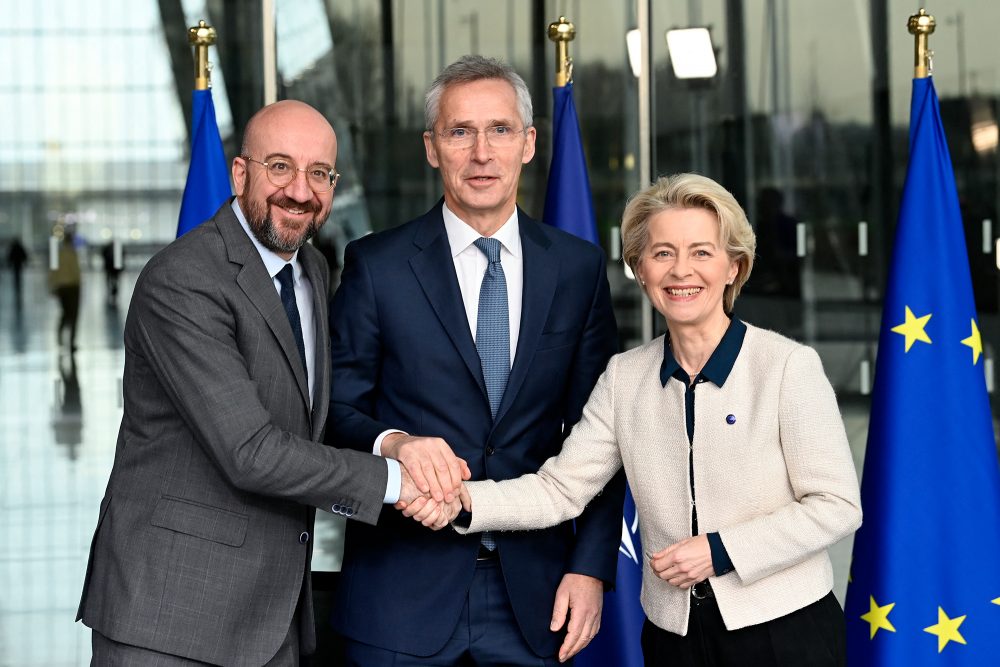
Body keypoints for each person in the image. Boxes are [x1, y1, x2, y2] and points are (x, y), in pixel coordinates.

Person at [445, 174, 863, 666]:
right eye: (662, 253)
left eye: (702, 253)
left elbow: (836, 505)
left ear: (734, 267)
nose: (681, 270)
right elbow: (560, 489)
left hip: (786, 633)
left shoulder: (788, 367)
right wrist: (461, 500)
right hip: (673, 639)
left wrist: (721, 550)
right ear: (639, 270)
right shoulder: (624, 378)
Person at [77, 100, 432, 666]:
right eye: (280, 166)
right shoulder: (184, 281)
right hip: (170, 617)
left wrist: (394, 440)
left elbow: (306, 415)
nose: (300, 189)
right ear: (241, 173)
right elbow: (250, 451)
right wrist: (396, 481)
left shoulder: (310, 269)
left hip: (270, 616)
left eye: (320, 173)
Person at [327, 55, 625, 665]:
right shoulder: (376, 267)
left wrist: (591, 568)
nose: (481, 153)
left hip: (537, 599)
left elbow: (605, 432)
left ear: (529, 144)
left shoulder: (576, 269)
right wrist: (395, 443)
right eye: (460, 131)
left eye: (500, 130)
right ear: (433, 148)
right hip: (399, 597)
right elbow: (331, 409)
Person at [49, 230, 81, 350]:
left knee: (65, 313)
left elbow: (53, 272)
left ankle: (60, 338)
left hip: (61, 287)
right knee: (74, 315)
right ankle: (72, 342)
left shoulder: (58, 254)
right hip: (73, 287)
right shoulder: (73, 254)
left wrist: (52, 286)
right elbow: (76, 272)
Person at [7, 237, 28, 306]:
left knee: (16, 273)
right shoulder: (20, 247)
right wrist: (25, 262)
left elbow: (10, 256)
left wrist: (9, 263)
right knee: (18, 273)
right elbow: (24, 255)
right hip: (19, 263)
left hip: (15, 263)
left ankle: (17, 283)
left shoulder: (13, 248)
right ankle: (18, 283)